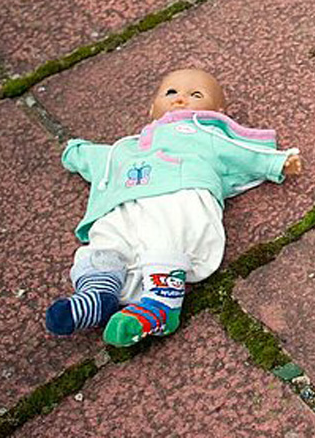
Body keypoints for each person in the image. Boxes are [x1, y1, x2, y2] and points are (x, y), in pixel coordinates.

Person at [45, 68, 301, 346]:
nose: (180, 99)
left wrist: (277, 162)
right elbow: (101, 159)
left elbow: (239, 153)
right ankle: (98, 294)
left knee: (167, 237)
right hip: (126, 203)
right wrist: (77, 153)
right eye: (171, 92)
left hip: (179, 194)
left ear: (218, 112)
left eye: (196, 94)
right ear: (152, 107)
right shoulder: (126, 148)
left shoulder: (203, 134)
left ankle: (161, 305)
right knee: (107, 237)